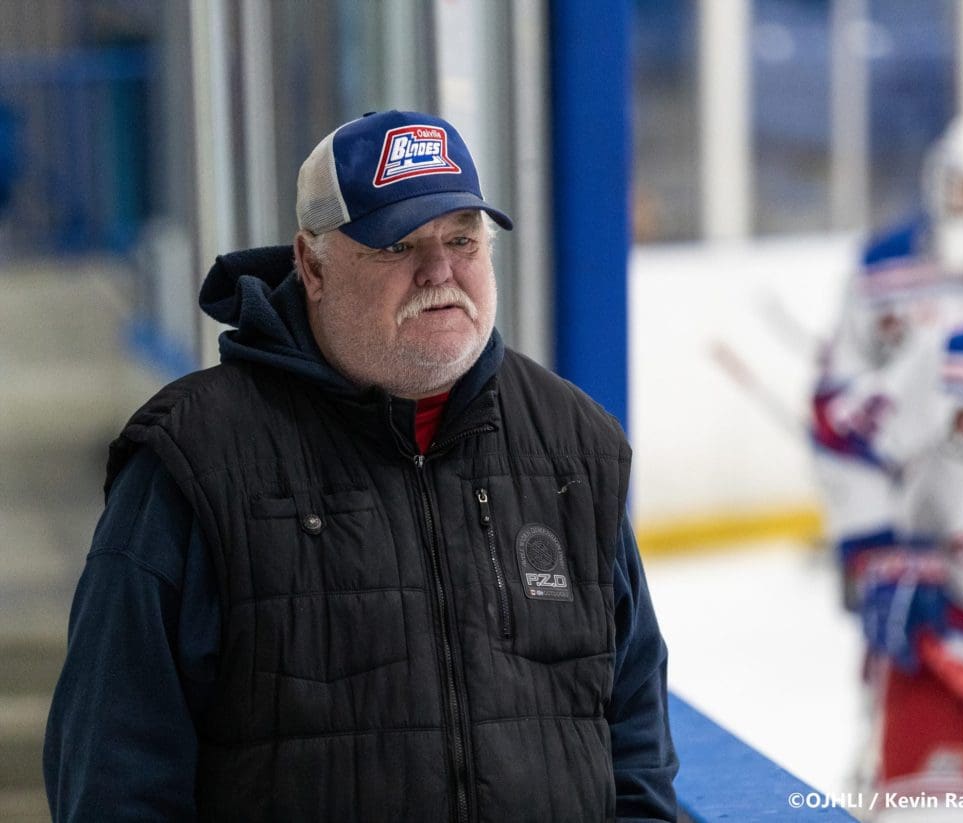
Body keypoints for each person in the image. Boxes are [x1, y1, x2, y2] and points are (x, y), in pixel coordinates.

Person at [43, 110, 679, 822]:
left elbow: (637, 746)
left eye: (462, 239)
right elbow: (114, 776)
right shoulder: (193, 463)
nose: (440, 271)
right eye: (398, 244)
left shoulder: (573, 445)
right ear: (312, 264)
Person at [813, 104, 963, 816]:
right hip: (955, 622)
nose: (960, 211)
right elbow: (848, 420)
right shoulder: (903, 287)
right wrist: (876, 547)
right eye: (955, 187)